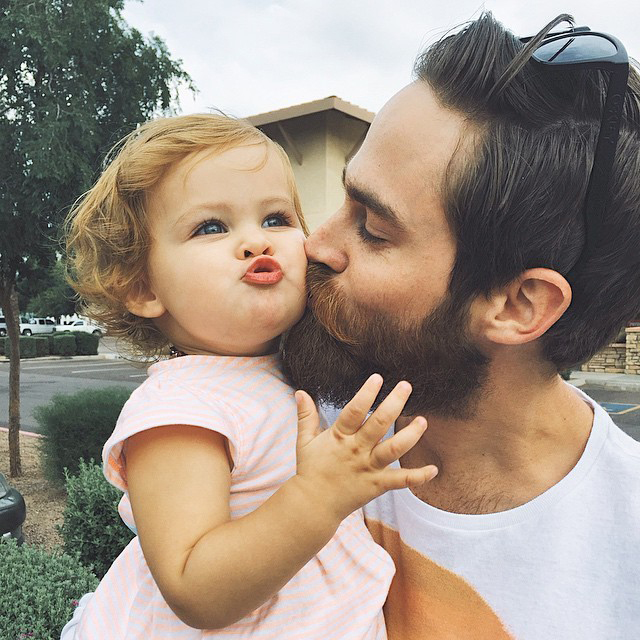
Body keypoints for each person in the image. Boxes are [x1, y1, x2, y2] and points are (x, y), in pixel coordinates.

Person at [282, 12, 640, 640]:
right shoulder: (278, 429)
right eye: (344, 200)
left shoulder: (623, 558)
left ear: (518, 305)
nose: (315, 244)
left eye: (373, 229)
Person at [59, 114, 438, 639]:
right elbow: (195, 589)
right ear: (144, 287)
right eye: (210, 227)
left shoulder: (283, 368)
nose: (255, 242)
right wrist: (317, 497)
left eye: (277, 218)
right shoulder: (180, 408)